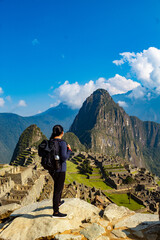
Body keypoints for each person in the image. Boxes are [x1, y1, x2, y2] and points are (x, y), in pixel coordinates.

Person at [49, 124, 72, 218]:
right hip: (60, 169)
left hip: (52, 169)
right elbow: (64, 157)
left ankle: (58, 202)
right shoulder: (62, 143)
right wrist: (69, 150)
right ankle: (56, 212)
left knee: (59, 186)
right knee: (57, 190)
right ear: (62, 133)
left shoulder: (50, 141)